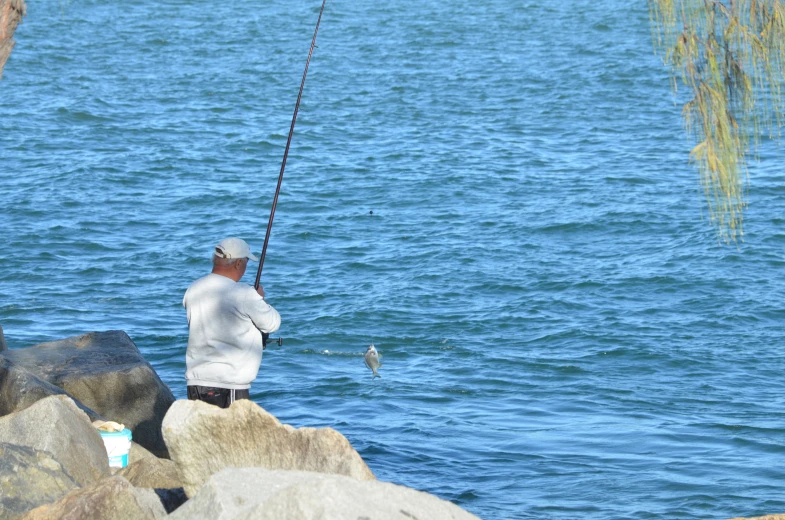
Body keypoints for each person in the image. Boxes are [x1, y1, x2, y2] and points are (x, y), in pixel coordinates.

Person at [183, 237, 281, 408]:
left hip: (195, 382)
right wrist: (260, 299)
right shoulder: (244, 293)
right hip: (229, 385)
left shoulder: (193, 289)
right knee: (231, 435)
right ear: (238, 264)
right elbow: (272, 323)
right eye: (246, 263)